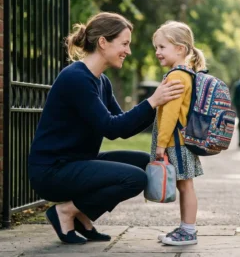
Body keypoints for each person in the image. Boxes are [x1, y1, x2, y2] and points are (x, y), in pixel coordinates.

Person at [27, 12, 185, 245]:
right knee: (135, 179)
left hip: (78, 161)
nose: (128, 51)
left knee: (144, 162)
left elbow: (122, 126)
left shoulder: (101, 80)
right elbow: (110, 128)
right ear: (103, 42)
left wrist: (157, 106)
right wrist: (152, 101)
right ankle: (66, 211)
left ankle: (81, 217)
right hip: (52, 171)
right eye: (124, 44)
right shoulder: (76, 78)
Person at [150, 21, 205, 246]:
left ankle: (189, 231)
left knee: (186, 186)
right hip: (181, 141)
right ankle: (185, 228)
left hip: (177, 142)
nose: (157, 52)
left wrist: (161, 145)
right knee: (184, 185)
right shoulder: (185, 74)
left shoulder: (176, 76)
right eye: (157, 47)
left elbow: (171, 114)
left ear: (180, 49)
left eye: (162, 47)